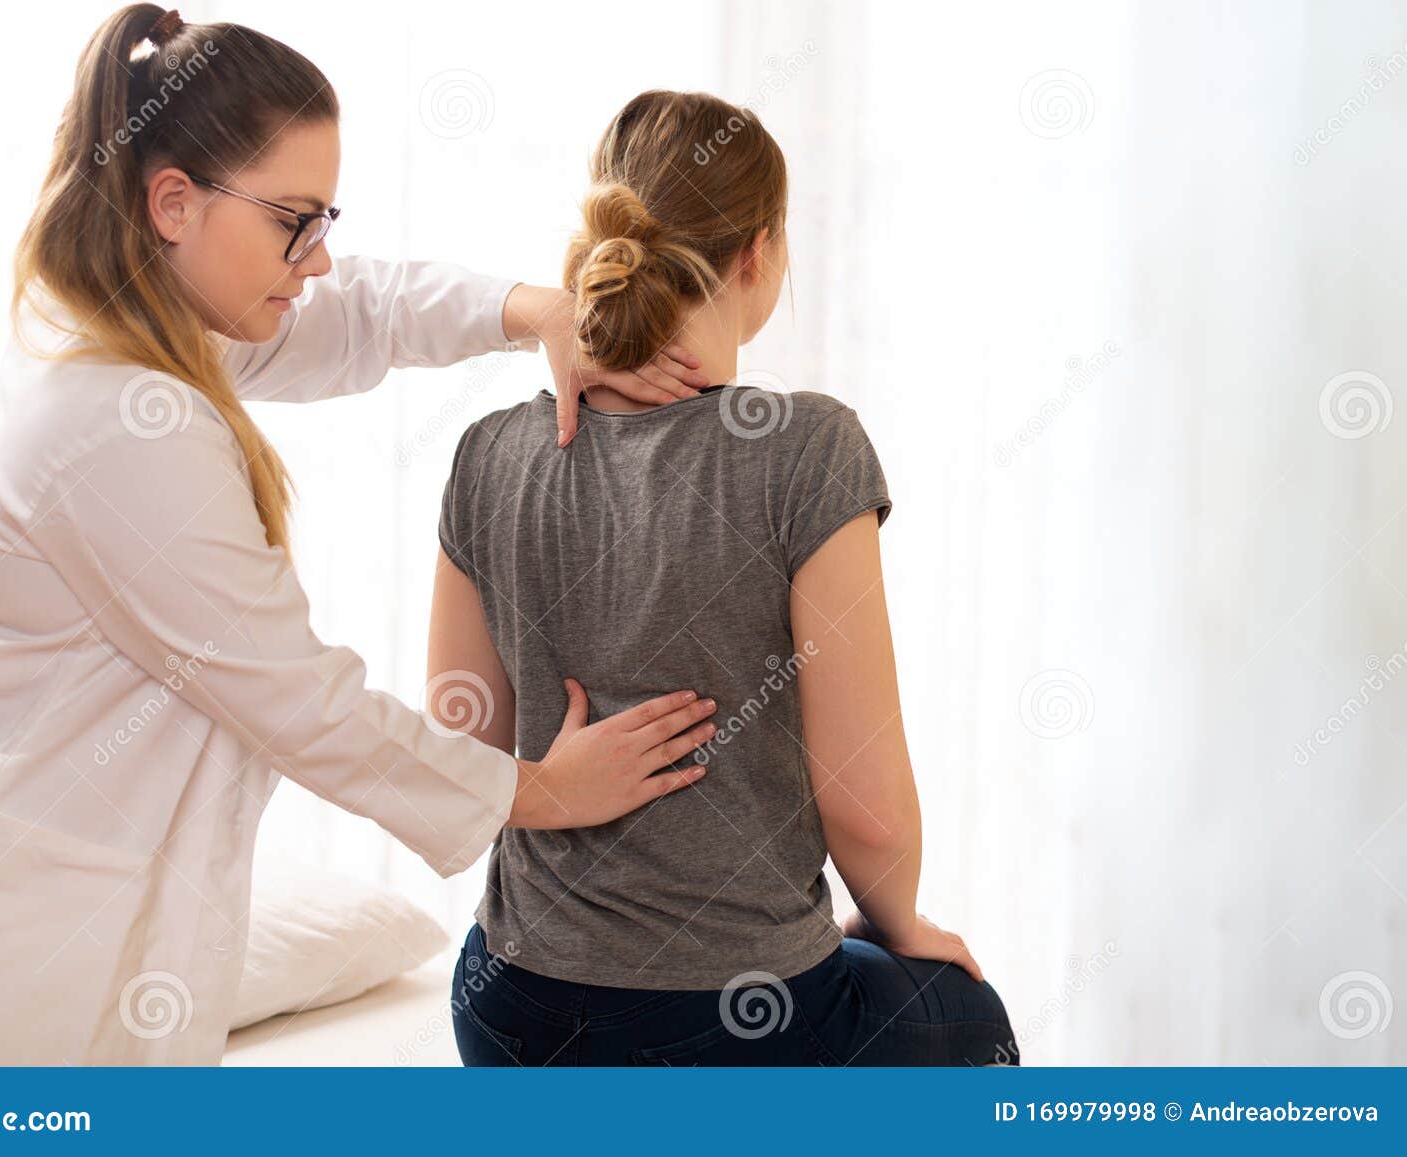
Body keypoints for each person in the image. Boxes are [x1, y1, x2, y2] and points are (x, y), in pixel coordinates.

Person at [0, 8, 717, 1066]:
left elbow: (357, 312)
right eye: (295, 221)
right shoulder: (114, 415)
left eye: (325, 218)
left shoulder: (136, 316)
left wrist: (535, 312)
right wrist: (544, 791)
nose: (319, 260)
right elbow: (300, 701)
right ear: (173, 203)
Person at [429, 90, 1018, 1065]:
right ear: (759, 253)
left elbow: (459, 745)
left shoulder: (488, 451)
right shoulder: (806, 449)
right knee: (967, 1020)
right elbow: (864, 805)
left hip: (509, 1005)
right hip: (738, 1014)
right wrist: (903, 923)